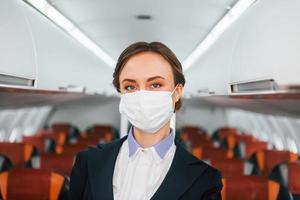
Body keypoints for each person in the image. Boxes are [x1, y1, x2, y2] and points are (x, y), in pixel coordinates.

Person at [69, 41, 223, 200]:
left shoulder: (205, 180)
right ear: (121, 93)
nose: (142, 96)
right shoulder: (88, 162)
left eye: (155, 85)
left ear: (177, 92)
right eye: (130, 87)